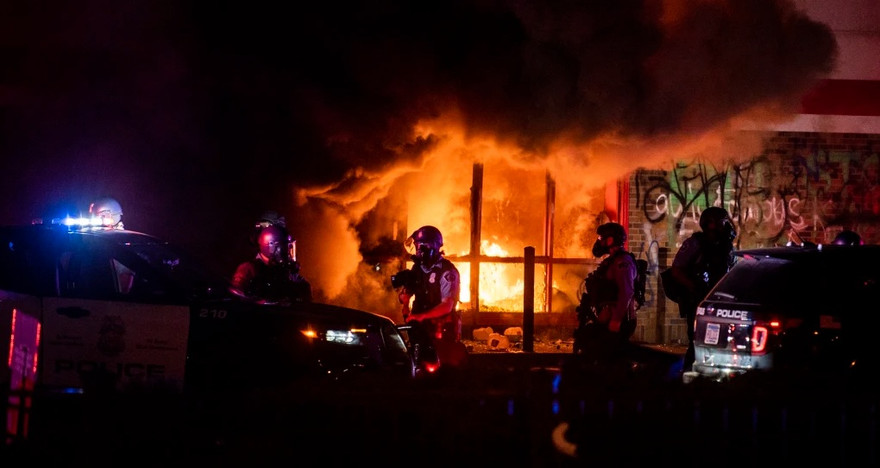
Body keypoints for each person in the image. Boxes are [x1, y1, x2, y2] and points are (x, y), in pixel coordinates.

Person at [669, 206, 737, 372]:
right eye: (723, 222)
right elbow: (676, 270)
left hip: (720, 300)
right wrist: (695, 287)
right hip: (698, 301)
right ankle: (689, 376)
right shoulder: (695, 243)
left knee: (719, 343)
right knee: (696, 343)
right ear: (710, 223)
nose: (726, 226)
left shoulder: (725, 245)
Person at [396, 225, 466, 367]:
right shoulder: (417, 268)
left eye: (420, 247)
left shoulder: (447, 272)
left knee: (441, 367)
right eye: (416, 247)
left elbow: (447, 306)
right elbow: (408, 293)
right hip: (419, 328)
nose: (418, 252)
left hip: (441, 331)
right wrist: (404, 298)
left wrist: (421, 317)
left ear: (432, 247)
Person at [573, 222, 638, 358]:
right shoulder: (611, 261)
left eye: (602, 238)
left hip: (619, 321)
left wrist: (616, 319)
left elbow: (626, 292)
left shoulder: (622, 262)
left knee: (604, 356)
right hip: (606, 319)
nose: (600, 242)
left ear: (611, 240)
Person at [231, 224, 312, 304]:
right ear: (271, 247)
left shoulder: (287, 272)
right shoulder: (249, 269)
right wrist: (265, 303)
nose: (288, 252)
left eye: (289, 247)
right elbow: (235, 296)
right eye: (285, 247)